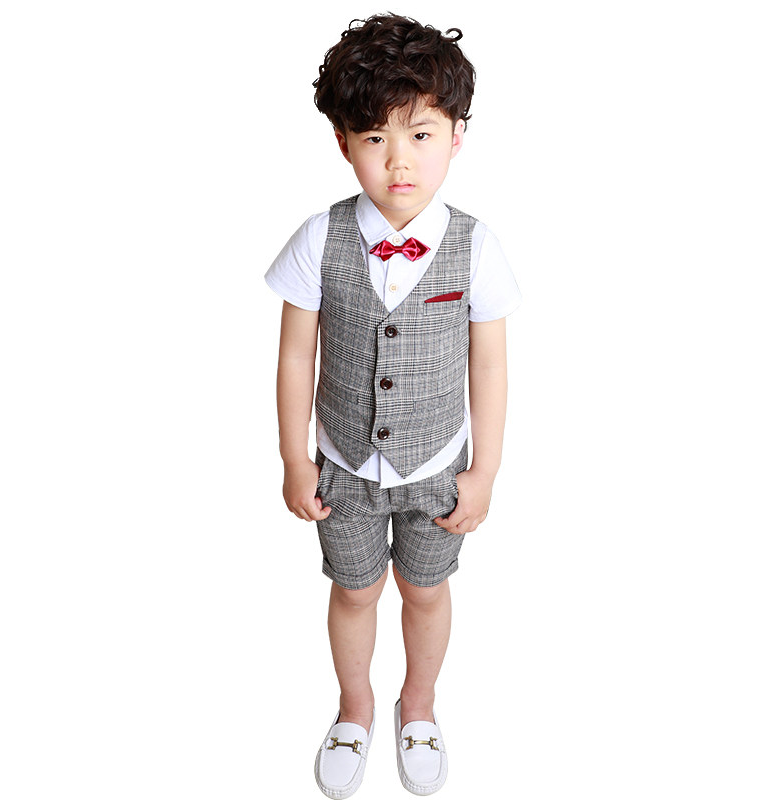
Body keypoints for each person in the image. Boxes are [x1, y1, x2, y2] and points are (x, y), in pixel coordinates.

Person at [265, 13, 521, 797]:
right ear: (343, 142)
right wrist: (294, 458)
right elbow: (295, 355)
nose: (398, 159)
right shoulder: (320, 237)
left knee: (426, 589)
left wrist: (484, 471)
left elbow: (489, 362)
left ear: (457, 137)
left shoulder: (475, 246)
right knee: (354, 590)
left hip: (438, 467)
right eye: (375, 137)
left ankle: (420, 704)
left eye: (420, 133)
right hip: (341, 467)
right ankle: (355, 708)